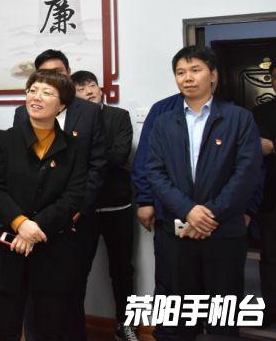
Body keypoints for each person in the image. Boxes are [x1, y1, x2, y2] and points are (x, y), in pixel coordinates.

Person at [146, 46, 262, 339]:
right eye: (180, 72)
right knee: (178, 314)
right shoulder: (163, 122)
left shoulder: (239, 118)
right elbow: (155, 172)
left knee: (222, 314)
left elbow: (247, 173)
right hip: (178, 232)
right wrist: (189, 210)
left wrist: (210, 214)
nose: (187, 78)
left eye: (195, 70)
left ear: (213, 75)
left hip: (223, 231)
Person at [0, 69, 87, 340]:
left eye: (47, 92)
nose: (36, 97)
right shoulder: (4, 140)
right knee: (5, 330)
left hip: (52, 251)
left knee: (49, 330)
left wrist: (33, 228)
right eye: (32, 90)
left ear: (62, 105)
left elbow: (73, 196)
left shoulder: (74, 147)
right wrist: (20, 223)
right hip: (8, 250)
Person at [13, 49, 106, 341]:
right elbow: (21, 169)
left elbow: (97, 166)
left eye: (58, 74)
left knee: (73, 289)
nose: (51, 80)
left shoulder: (89, 112)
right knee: (35, 290)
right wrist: (33, 218)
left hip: (77, 220)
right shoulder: (22, 112)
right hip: (36, 223)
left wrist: (75, 209)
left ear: (68, 74)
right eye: (44, 76)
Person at [71, 70, 137, 341]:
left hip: (116, 205)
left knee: (122, 269)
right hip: (82, 208)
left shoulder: (118, 116)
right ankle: (73, 327)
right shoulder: (71, 119)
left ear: (100, 89)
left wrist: (87, 160)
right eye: (80, 88)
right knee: (76, 270)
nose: (88, 91)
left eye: (91, 85)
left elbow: (120, 154)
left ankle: (125, 324)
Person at [254, 61, 276, 325]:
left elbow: (271, 146)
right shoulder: (260, 112)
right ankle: (271, 309)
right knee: (270, 257)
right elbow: (259, 147)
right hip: (270, 195)